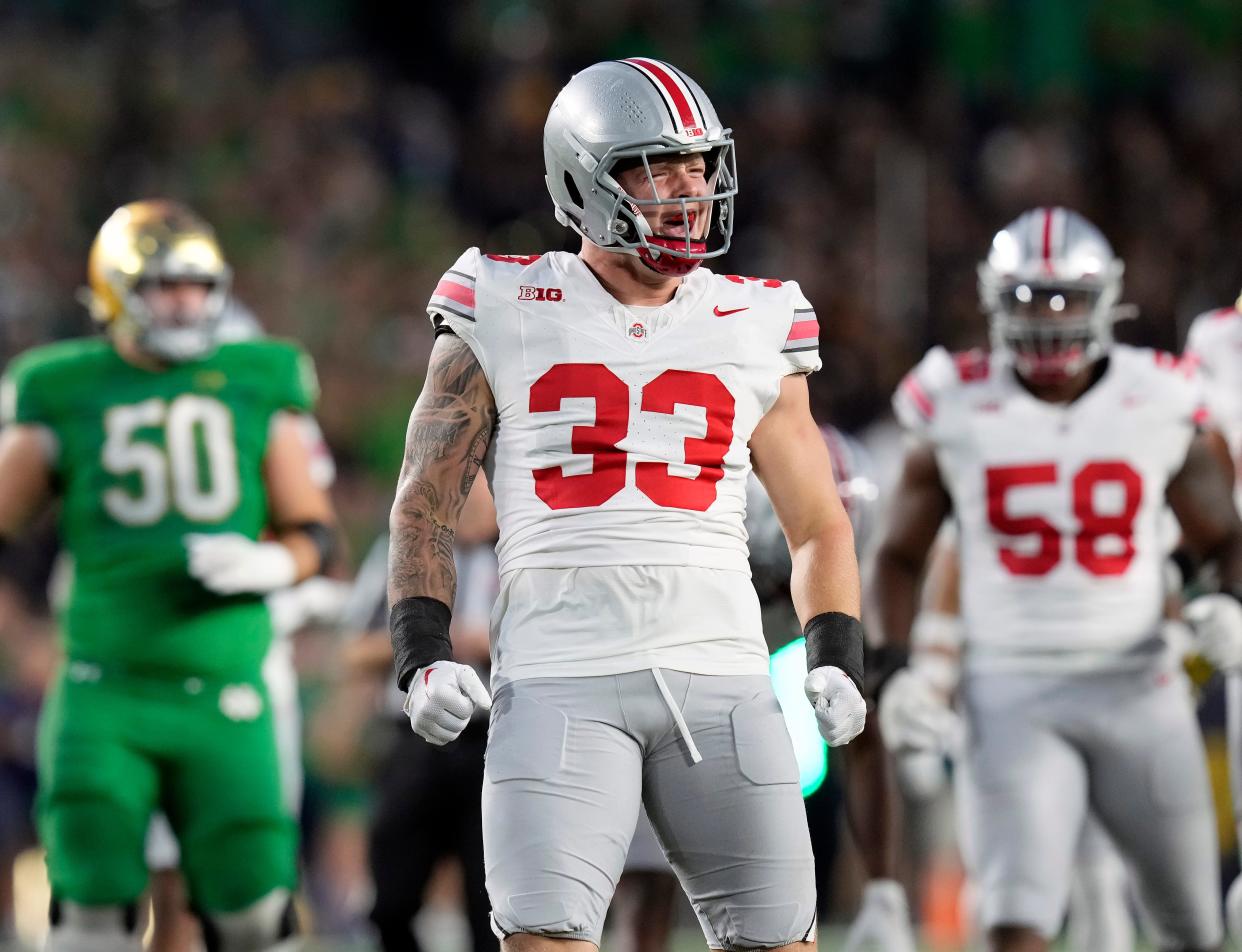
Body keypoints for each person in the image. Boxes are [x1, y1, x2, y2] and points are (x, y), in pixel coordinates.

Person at [387, 58, 868, 951]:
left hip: (723, 677)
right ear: (583, 176)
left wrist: (837, 650)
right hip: (559, 677)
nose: (691, 189)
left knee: (781, 940)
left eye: (701, 165)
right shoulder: (503, 300)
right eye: (658, 166)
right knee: (545, 938)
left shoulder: (758, 317)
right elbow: (425, 501)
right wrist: (421, 654)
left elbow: (817, 522)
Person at [870, 206, 1242, 952]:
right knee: (1014, 918)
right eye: (1029, 299)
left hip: (1139, 685)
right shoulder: (957, 398)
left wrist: (1226, 600)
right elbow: (899, 557)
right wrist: (900, 667)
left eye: (1066, 298)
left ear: (1105, 300)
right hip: (1009, 687)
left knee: (1194, 925)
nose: (1048, 319)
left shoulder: (1158, 395)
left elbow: (1223, 536)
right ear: (994, 302)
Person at [0, 200, 337, 952]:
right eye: (165, 285)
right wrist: (20, 631)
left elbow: (317, 534)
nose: (186, 301)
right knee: (92, 907)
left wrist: (274, 561)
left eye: (197, 283)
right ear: (116, 290)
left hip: (229, 690)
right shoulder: (66, 385)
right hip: (105, 687)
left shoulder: (259, 374)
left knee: (254, 913)